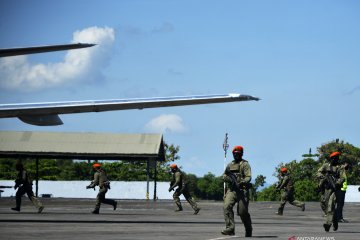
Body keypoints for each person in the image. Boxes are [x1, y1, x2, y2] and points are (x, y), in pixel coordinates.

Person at [222, 145, 252, 237]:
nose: (236, 155)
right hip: (232, 190)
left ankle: (248, 228)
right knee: (226, 206)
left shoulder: (245, 164)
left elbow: (248, 177)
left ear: (241, 154)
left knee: (242, 212)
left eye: (238, 154)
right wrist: (229, 179)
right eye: (234, 154)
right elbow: (223, 176)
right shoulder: (230, 165)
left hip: (242, 190)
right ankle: (230, 228)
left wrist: (242, 181)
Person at [316, 151, 346, 232]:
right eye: (334, 158)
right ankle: (334, 220)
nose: (336, 160)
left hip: (335, 190)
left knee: (330, 206)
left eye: (337, 158)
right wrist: (323, 177)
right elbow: (318, 172)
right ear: (331, 159)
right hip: (326, 189)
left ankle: (328, 224)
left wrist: (337, 183)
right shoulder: (326, 165)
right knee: (324, 204)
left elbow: (342, 178)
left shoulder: (340, 167)